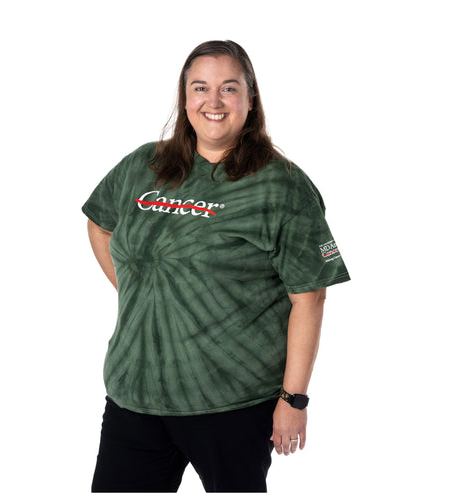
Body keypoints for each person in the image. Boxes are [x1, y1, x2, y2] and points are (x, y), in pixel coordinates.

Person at [82, 40, 350, 493]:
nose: (213, 101)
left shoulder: (281, 187)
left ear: (251, 98)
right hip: (134, 394)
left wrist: (294, 398)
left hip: (231, 401)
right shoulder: (143, 166)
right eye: (200, 88)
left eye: (229, 88)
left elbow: (310, 295)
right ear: (185, 98)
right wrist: (141, 291)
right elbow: (99, 223)